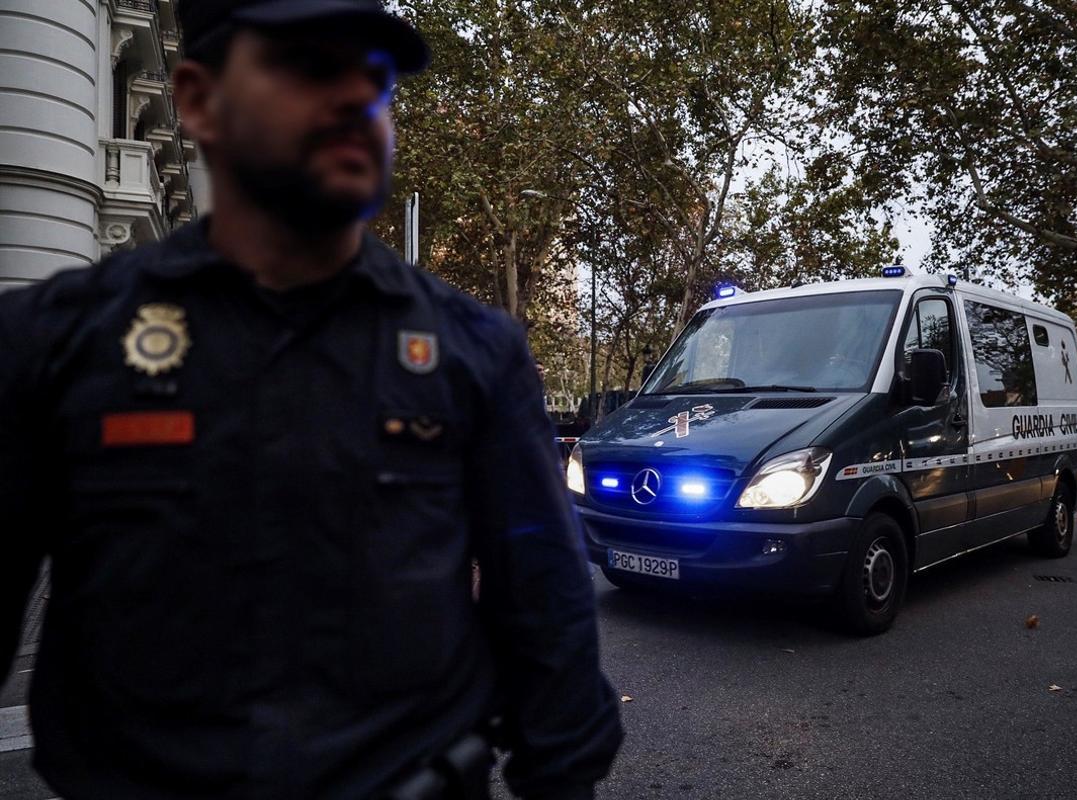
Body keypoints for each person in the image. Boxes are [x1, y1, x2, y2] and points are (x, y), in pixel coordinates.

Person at [0, 1, 622, 798]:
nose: (357, 101)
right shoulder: (59, 339)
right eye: (308, 66)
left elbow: (548, 612)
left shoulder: (476, 352)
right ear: (197, 101)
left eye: (375, 80)